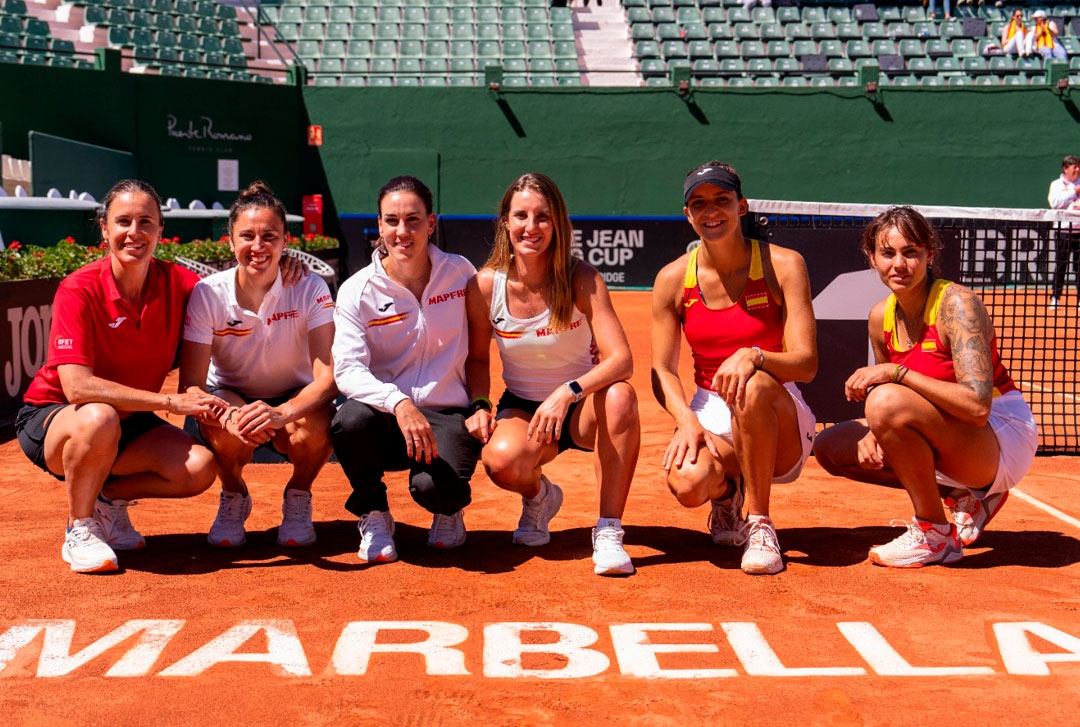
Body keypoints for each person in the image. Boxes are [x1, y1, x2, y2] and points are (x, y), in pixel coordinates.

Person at [14, 179, 227, 573]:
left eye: (146, 222)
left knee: (199, 469)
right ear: (104, 228)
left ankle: (106, 498)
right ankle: (81, 526)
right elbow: (76, 387)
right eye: (123, 221)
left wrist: (284, 265)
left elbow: (236, 291)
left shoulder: (182, 284)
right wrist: (169, 402)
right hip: (57, 417)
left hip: (127, 419)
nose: (134, 232)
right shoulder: (78, 289)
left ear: (160, 230)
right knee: (99, 416)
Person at [813, 206, 1038, 568]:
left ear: (929, 255)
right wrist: (876, 432)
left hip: (1000, 433)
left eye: (911, 252)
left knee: (886, 401)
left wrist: (897, 377)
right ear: (872, 258)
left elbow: (978, 408)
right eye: (888, 253)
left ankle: (935, 534)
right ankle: (965, 497)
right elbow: (888, 395)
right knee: (831, 448)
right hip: (945, 426)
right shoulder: (879, 316)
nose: (899, 264)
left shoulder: (958, 306)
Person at [465, 172, 640, 576]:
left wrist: (568, 392)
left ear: (558, 223)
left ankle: (609, 529)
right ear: (506, 223)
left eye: (543, 217)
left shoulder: (582, 278)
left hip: (580, 407)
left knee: (621, 396)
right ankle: (540, 497)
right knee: (502, 462)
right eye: (521, 216)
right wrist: (479, 403)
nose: (531, 227)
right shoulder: (486, 285)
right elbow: (476, 360)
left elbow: (621, 360)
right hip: (525, 410)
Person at [650, 162, 817, 576]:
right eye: (699, 203)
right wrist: (686, 419)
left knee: (753, 385)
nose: (711, 211)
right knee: (688, 484)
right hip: (709, 409)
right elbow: (661, 369)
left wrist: (756, 356)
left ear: (741, 206)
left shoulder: (784, 265)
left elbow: (807, 363)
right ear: (687, 215)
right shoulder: (672, 279)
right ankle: (727, 498)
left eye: (722, 200)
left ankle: (759, 524)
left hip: (777, 411)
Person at [331, 175, 483, 564]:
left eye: (413, 220)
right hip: (385, 416)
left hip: (446, 414)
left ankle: (449, 510)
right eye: (392, 221)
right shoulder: (356, 289)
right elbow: (346, 370)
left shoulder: (462, 274)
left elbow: (491, 340)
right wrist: (397, 402)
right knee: (349, 420)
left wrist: (481, 403)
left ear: (431, 223)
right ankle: (374, 513)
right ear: (379, 225)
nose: (403, 231)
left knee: (438, 491)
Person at [179, 181, 337, 549]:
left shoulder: (311, 287)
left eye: (270, 236)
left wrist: (281, 414)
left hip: (293, 398)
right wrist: (231, 417)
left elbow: (327, 379)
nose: (258, 246)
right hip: (232, 396)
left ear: (285, 242)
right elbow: (191, 385)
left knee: (318, 423)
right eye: (247, 236)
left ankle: (298, 495)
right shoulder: (207, 294)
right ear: (230, 241)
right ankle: (234, 495)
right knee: (215, 422)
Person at [1048, 154, 1080, 311]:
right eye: (1074, 167)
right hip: (1063, 231)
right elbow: (1055, 204)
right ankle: (1055, 297)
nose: (1078, 169)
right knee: (1061, 265)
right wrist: (1075, 191)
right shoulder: (1056, 185)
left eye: (1079, 166)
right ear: (1065, 168)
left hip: (1079, 231)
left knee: (1079, 267)